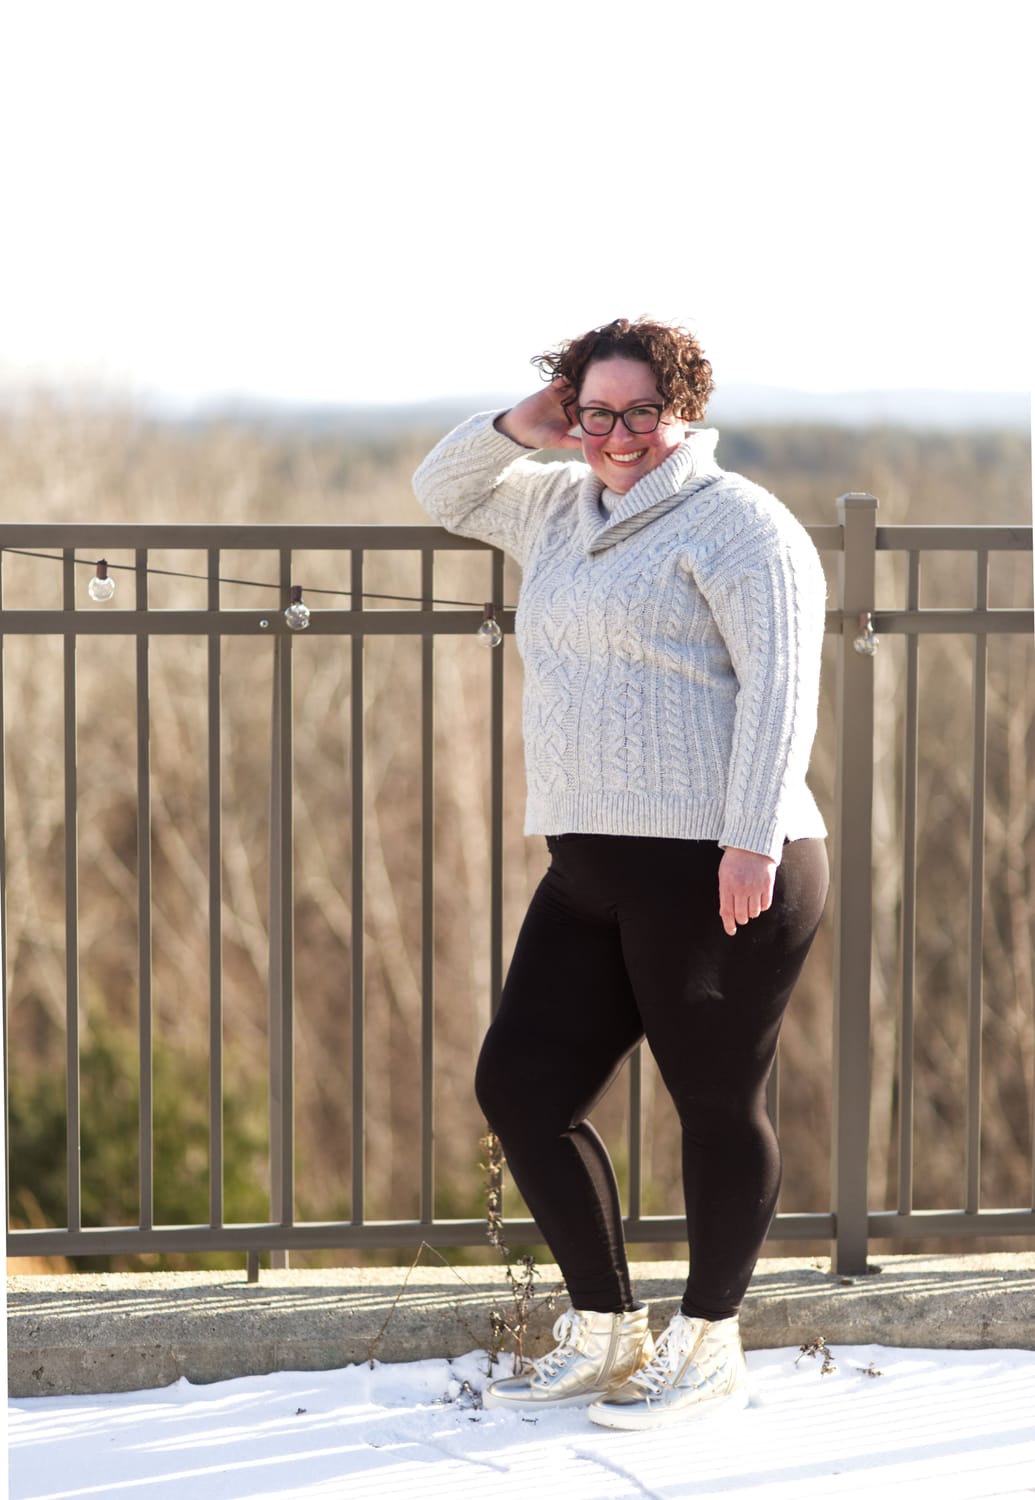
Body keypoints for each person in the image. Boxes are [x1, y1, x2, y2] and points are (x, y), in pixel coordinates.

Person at [412, 317, 829, 1431]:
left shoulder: (741, 523)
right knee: (521, 1087)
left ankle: (709, 1340)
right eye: (595, 412)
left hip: (723, 864)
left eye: (641, 410)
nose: (618, 435)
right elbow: (442, 490)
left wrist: (752, 839)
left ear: (683, 409)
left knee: (714, 1102)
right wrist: (524, 424)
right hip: (590, 862)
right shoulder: (556, 504)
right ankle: (604, 1327)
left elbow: (781, 688)